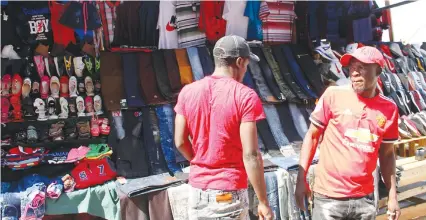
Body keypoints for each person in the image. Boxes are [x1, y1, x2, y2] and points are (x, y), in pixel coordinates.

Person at [295, 46, 401, 220]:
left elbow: (387, 155)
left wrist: (392, 196)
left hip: (365, 201)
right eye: (352, 67)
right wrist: (301, 179)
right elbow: (312, 137)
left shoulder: (389, 109)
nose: (354, 73)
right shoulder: (333, 95)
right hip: (329, 199)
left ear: (378, 71)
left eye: (362, 67)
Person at [174, 35, 273, 220]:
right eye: (246, 65)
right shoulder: (245, 96)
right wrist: (263, 202)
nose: (245, 70)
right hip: (228, 193)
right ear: (239, 61)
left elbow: (179, 141)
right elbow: (251, 155)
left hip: (197, 191)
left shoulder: (187, 92)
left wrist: (199, 161)